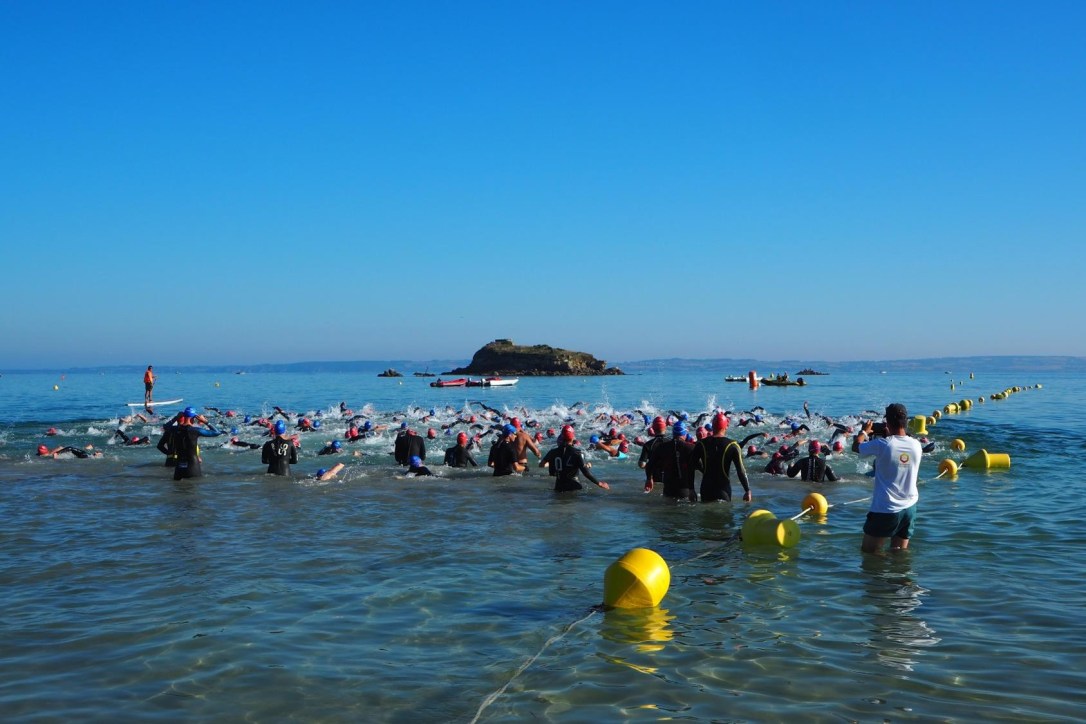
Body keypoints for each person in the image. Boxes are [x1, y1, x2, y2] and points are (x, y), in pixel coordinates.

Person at [852, 403, 922, 554]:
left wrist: (864, 432)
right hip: (909, 508)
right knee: (899, 554)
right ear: (906, 421)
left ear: (887, 422)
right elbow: (898, 448)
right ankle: (899, 577)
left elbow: (856, 446)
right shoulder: (916, 445)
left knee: (870, 553)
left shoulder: (883, 444)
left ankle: (878, 578)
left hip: (885, 509)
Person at [690, 412, 752, 503]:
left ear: (712, 426)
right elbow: (741, 470)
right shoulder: (733, 445)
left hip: (706, 490)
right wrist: (747, 490)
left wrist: (691, 489)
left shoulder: (701, 444)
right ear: (726, 426)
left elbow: (691, 467)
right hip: (724, 491)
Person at [539, 425, 609, 492]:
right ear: (573, 437)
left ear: (562, 437)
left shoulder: (552, 452)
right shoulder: (577, 453)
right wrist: (599, 483)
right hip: (573, 486)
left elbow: (541, 464)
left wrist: (552, 462)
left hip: (559, 486)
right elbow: (586, 473)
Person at [644, 422, 696, 501]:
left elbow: (649, 465)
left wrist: (649, 479)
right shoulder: (691, 448)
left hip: (668, 490)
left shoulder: (662, 447)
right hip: (686, 490)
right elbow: (702, 467)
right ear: (685, 433)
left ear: (673, 433)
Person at [169, 406, 222, 480]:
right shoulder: (195, 430)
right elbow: (217, 432)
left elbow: (165, 426)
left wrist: (175, 418)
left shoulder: (175, 429)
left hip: (179, 467)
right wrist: (206, 422)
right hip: (193, 466)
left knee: (177, 489)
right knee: (193, 488)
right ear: (194, 418)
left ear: (183, 415)